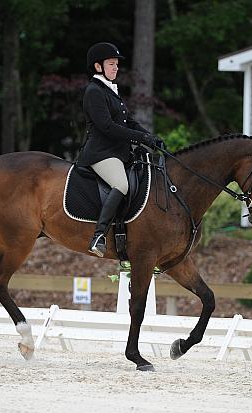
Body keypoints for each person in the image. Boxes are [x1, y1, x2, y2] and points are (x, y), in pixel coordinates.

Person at [76, 42, 162, 257]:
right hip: (101, 153)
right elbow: (107, 127)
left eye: (116, 64)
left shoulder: (111, 91)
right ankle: (99, 236)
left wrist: (149, 138)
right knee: (121, 184)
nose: (116, 68)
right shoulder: (94, 91)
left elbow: (129, 122)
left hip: (118, 152)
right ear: (98, 67)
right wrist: (139, 137)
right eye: (111, 64)